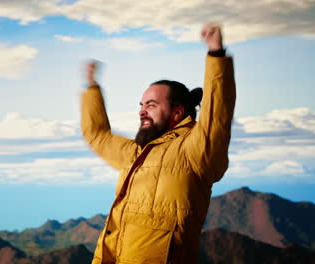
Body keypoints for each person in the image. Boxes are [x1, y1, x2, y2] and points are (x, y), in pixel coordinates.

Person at [81, 24, 236, 264]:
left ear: (177, 113)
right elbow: (97, 135)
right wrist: (91, 88)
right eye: (141, 106)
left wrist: (216, 55)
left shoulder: (193, 150)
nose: (142, 112)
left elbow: (217, 117)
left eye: (151, 105)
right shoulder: (136, 152)